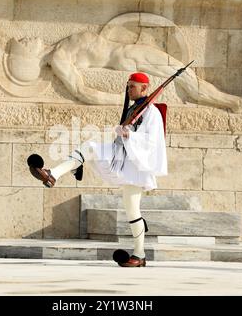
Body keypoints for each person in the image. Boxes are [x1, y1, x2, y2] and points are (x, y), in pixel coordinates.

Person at [28, 72, 167, 267]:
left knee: (133, 210)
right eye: (128, 86)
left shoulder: (151, 112)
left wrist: (129, 134)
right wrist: (125, 132)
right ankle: (53, 175)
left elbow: (152, 142)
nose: (129, 90)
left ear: (144, 88)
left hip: (135, 164)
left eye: (132, 87)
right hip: (121, 155)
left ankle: (139, 254)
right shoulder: (134, 108)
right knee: (89, 147)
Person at [5, 31, 242, 113]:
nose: (27, 39)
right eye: (24, 44)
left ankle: (232, 101)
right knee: (186, 79)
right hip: (128, 58)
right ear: (31, 58)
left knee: (186, 77)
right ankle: (232, 102)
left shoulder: (58, 48)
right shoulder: (59, 59)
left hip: (130, 52)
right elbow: (83, 92)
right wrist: (132, 102)